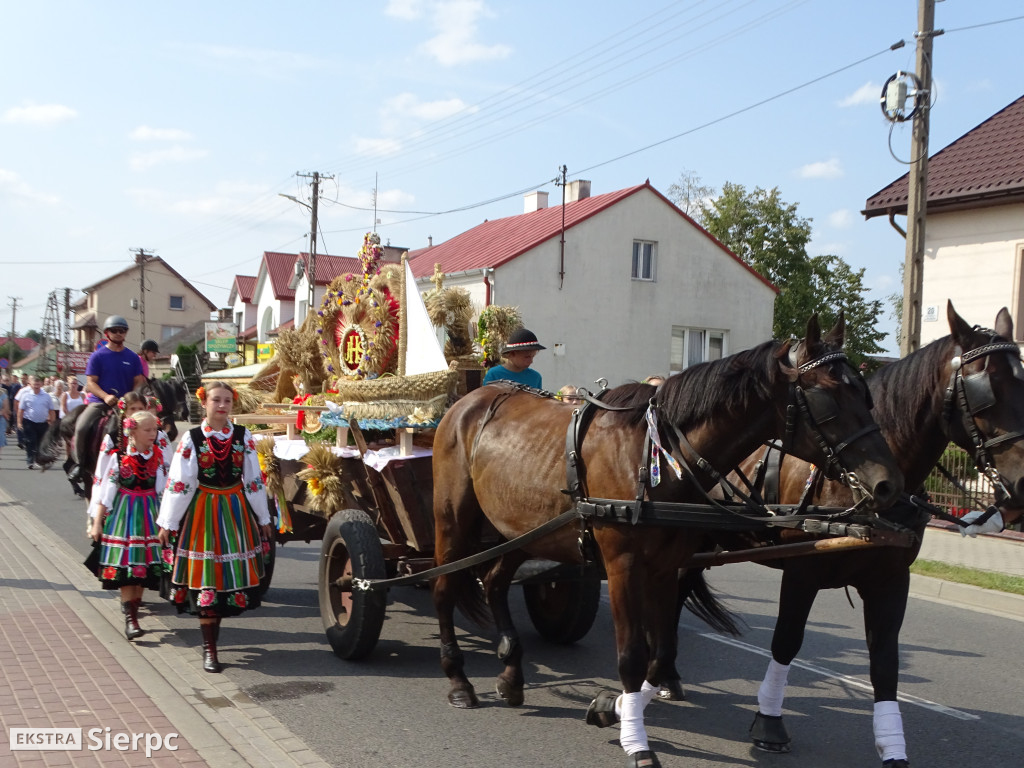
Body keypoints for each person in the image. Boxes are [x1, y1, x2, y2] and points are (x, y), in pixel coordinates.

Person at [157, 381, 271, 674]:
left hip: (235, 512)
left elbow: (254, 480)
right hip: (203, 513)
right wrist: (168, 522)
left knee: (223, 582)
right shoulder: (191, 438)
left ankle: (213, 641)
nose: (222, 406)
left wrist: (263, 518)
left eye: (227, 401)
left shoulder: (243, 437)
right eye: (216, 400)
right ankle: (210, 650)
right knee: (208, 580)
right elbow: (180, 483)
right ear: (204, 403)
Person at [89, 410, 166, 640]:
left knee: (141, 566)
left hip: (150, 513)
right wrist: (96, 523)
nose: (153, 434)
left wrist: (167, 521)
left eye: (155, 429)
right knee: (126, 567)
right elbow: (107, 492)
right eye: (148, 430)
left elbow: (163, 491)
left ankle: (135, 606)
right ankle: (130, 619)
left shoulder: (158, 457)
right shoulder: (119, 457)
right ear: (132, 431)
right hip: (125, 514)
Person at [73, 316, 147, 479]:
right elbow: (91, 383)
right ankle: (81, 464)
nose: (119, 333)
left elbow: (138, 381)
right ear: (107, 333)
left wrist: (130, 398)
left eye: (122, 330)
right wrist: (105, 397)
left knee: (149, 426)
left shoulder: (133, 358)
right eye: (115, 330)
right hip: (100, 402)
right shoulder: (98, 356)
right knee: (81, 427)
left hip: (126, 404)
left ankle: (152, 463)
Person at [17, 376, 55, 470]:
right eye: (35, 384)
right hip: (29, 422)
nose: (36, 386)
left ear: (41, 385)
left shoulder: (46, 396)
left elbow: (51, 410)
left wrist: (52, 422)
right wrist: (19, 422)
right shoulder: (26, 395)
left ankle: (38, 459)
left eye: (38, 384)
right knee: (31, 441)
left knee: (41, 443)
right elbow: (21, 410)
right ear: (31, 385)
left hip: (43, 422)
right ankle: (30, 461)